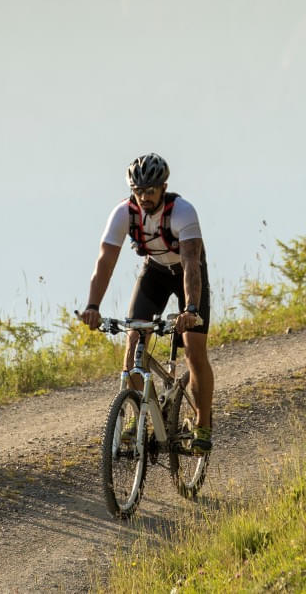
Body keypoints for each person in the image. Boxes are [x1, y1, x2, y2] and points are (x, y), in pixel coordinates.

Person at [80, 153, 214, 453]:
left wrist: (191, 309)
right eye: (138, 191)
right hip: (154, 272)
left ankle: (203, 423)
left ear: (163, 188)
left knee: (193, 350)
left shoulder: (183, 212)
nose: (144, 197)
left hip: (186, 274)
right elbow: (105, 263)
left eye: (150, 190)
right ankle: (134, 418)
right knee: (133, 342)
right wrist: (92, 306)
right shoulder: (123, 214)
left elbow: (192, 264)